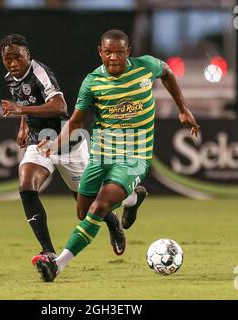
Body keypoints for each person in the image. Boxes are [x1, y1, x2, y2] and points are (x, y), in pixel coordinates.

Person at [32, 29, 200, 282]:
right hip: (101, 154)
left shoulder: (145, 67)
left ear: (128, 52)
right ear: (100, 52)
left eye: (119, 52)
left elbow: (166, 71)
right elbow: (77, 121)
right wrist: (56, 145)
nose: (113, 57)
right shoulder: (92, 82)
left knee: (99, 207)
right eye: (108, 52)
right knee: (84, 211)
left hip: (134, 155)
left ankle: (58, 265)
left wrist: (183, 109)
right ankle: (132, 199)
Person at [0, 34, 146, 260]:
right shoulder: (11, 77)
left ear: (28, 54)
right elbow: (28, 103)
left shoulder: (40, 73)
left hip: (68, 142)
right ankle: (47, 250)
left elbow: (60, 106)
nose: (13, 64)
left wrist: (21, 110)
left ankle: (124, 208)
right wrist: (24, 125)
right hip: (39, 141)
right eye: (7, 59)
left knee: (88, 207)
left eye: (18, 58)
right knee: (26, 185)